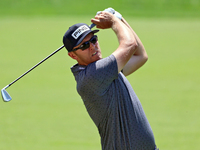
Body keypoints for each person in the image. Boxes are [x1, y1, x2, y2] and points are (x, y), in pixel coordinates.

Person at [63, 10, 158, 150]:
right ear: (73, 55)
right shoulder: (92, 76)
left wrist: (119, 18)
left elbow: (140, 56)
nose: (92, 46)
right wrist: (114, 21)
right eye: (84, 46)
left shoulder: (106, 71)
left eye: (93, 40)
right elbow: (130, 45)